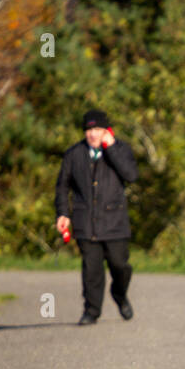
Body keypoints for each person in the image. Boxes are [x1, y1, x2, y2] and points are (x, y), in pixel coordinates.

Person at [54, 109, 138, 325]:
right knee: (91, 271)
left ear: (106, 131)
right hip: (86, 224)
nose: (92, 134)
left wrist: (111, 149)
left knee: (120, 266)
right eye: (89, 130)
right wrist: (63, 213)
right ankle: (91, 310)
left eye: (97, 129)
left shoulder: (120, 149)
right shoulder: (73, 154)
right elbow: (62, 187)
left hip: (115, 224)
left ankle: (120, 295)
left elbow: (131, 175)